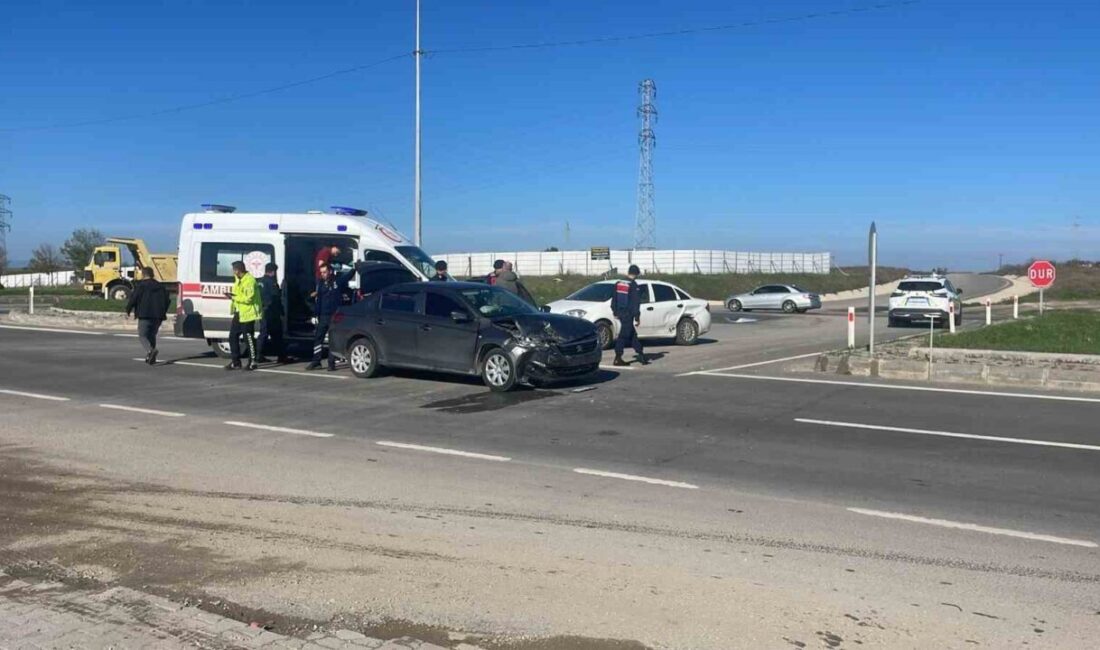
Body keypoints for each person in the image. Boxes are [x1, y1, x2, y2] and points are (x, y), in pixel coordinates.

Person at [306, 263, 355, 371]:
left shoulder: (337, 282)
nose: (322, 274)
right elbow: (319, 300)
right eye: (321, 272)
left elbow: (348, 276)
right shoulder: (321, 283)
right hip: (323, 316)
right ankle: (316, 361)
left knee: (332, 340)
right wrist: (315, 314)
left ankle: (331, 363)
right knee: (318, 339)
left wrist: (355, 268)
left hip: (334, 316)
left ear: (330, 271)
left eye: (324, 272)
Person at [125, 267, 170, 365]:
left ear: (143, 274)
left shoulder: (141, 286)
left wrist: (128, 310)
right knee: (152, 335)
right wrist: (163, 311)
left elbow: (134, 298)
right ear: (152, 274)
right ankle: (151, 358)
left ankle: (151, 351)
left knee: (143, 336)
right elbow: (168, 301)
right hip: (158, 316)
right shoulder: (161, 286)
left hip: (145, 314)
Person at [226, 261, 263, 371]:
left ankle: (252, 362)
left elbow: (248, 299)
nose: (233, 272)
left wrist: (233, 298)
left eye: (234, 270)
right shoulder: (238, 279)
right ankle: (236, 362)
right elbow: (238, 293)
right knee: (232, 336)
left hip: (248, 313)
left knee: (249, 339)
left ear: (238, 270)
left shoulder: (249, 281)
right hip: (239, 312)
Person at [612, 264, 648, 366]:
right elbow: (635, 303)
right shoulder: (633, 285)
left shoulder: (618, 283)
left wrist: (615, 311)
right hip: (628, 314)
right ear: (636, 274)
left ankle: (641, 354)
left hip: (620, 312)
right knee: (624, 335)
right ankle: (617, 358)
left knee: (632, 334)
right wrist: (637, 317)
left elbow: (614, 298)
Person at [257, 262, 286, 363]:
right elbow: (276, 297)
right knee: (276, 334)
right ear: (273, 272)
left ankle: (259, 355)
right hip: (271, 312)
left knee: (264, 334)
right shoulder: (271, 282)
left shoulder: (260, 281)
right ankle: (281, 357)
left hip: (263, 311)